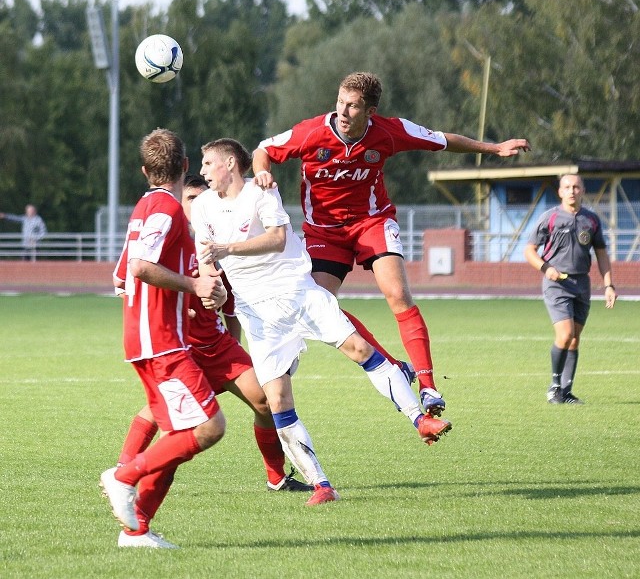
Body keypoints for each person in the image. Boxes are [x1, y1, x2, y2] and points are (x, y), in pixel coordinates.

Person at [252, 71, 531, 417]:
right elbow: (263, 150)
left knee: (398, 295)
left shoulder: (388, 131)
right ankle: (395, 366)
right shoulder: (311, 132)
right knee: (321, 305)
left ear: (370, 112)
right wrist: (262, 172)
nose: (343, 111)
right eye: (340, 102)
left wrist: (493, 148)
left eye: (353, 106)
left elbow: (442, 140)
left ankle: (428, 387)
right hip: (324, 231)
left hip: (372, 222)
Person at [192, 139, 452, 506]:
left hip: (299, 291)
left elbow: (279, 238)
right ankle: (321, 485)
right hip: (259, 313)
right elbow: (207, 263)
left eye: (207, 163)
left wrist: (229, 249)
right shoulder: (202, 206)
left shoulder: (261, 190)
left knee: (360, 349)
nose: (202, 172)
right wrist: (214, 290)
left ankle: (418, 419)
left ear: (230, 163)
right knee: (277, 399)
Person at [112, 175, 311, 548]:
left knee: (266, 401)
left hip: (217, 348)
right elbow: (133, 274)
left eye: (201, 198)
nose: (196, 205)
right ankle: (124, 474)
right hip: (177, 348)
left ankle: (276, 477)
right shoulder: (168, 233)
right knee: (166, 421)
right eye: (189, 197)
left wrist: (225, 319)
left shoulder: (214, 245)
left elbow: (230, 304)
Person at [100, 129, 229, 550]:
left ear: (144, 170)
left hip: (149, 339)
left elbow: (121, 274)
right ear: (186, 166)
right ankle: (122, 476)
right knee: (210, 427)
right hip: (161, 342)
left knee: (180, 437)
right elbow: (139, 267)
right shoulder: (168, 209)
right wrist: (191, 286)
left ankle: (136, 531)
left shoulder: (144, 206)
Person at [524, 174, 617, 405]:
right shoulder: (550, 218)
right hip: (556, 285)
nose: (572, 190)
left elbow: (601, 254)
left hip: (581, 284)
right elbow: (529, 250)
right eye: (567, 187)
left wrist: (608, 285)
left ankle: (566, 391)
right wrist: (546, 268)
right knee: (565, 335)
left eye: (576, 186)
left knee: (574, 340)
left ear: (583, 190)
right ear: (560, 192)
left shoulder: (591, 220)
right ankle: (554, 387)